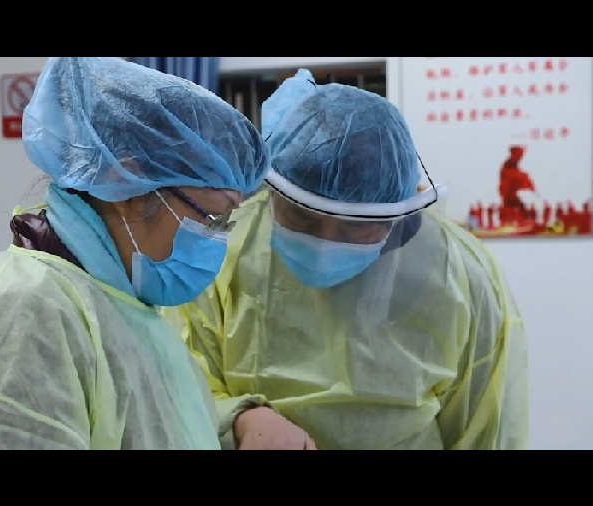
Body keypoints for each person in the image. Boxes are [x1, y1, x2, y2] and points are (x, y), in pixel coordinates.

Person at [0, 57, 270, 450]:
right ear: (127, 184)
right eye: (212, 217)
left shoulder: (129, 311)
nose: (217, 237)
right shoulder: (23, 315)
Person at [163, 69, 529, 450]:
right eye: (303, 218)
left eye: (356, 227)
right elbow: (177, 381)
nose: (325, 244)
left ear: (394, 214)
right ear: (275, 193)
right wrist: (240, 417)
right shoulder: (225, 251)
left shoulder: (458, 275)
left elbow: (491, 426)